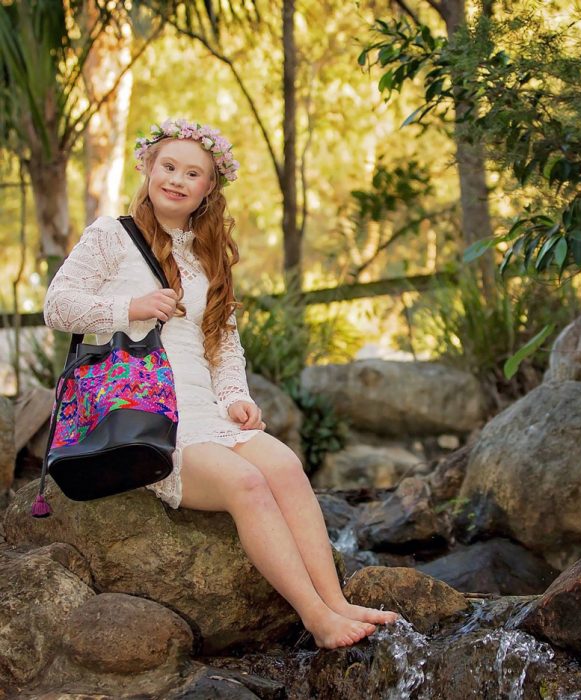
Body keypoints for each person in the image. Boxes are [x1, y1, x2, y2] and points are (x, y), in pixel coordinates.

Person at [43, 117, 398, 649]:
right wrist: (130, 307)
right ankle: (317, 620)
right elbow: (57, 305)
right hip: (147, 415)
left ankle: (337, 600)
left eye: (193, 173)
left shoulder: (206, 254)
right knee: (247, 484)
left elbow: (223, 343)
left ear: (209, 188)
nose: (177, 180)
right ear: (148, 167)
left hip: (206, 408)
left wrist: (236, 396)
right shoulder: (110, 235)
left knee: (286, 465)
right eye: (169, 167)